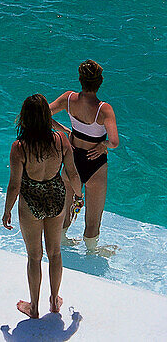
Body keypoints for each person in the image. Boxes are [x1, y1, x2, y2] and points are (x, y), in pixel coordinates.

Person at [3, 94, 82, 320]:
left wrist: (7, 210)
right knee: (55, 253)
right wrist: (78, 195)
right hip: (56, 196)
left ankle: (34, 307)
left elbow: (14, 185)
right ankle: (55, 301)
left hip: (31, 201)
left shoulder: (20, 147)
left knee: (34, 257)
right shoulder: (60, 140)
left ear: (25, 118)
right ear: (47, 117)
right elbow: (73, 173)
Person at [49, 60, 119, 249]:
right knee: (93, 219)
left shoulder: (68, 99)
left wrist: (64, 130)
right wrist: (103, 145)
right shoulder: (104, 109)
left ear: (80, 80)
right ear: (100, 81)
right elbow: (114, 142)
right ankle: (91, 251)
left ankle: (62, 242)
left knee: (65, 210)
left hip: (72, 158)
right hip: (95, 163)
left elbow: (44, 114)